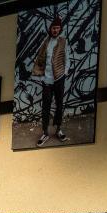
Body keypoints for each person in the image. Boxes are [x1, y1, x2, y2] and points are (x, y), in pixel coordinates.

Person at [32, 16, 69, 147]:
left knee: (59, 104)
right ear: (50, 29)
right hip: (47, 80)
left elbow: (67, 59)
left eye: (57, 28)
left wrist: (64, 73)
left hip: (59, 79)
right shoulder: (46, 42)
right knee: (46, 107)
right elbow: (40, 59)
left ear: (60, 29)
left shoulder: (63, 42)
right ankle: (45, 132)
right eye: (53, 28)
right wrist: (41, 76)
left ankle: (58, 130)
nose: (55, 30)